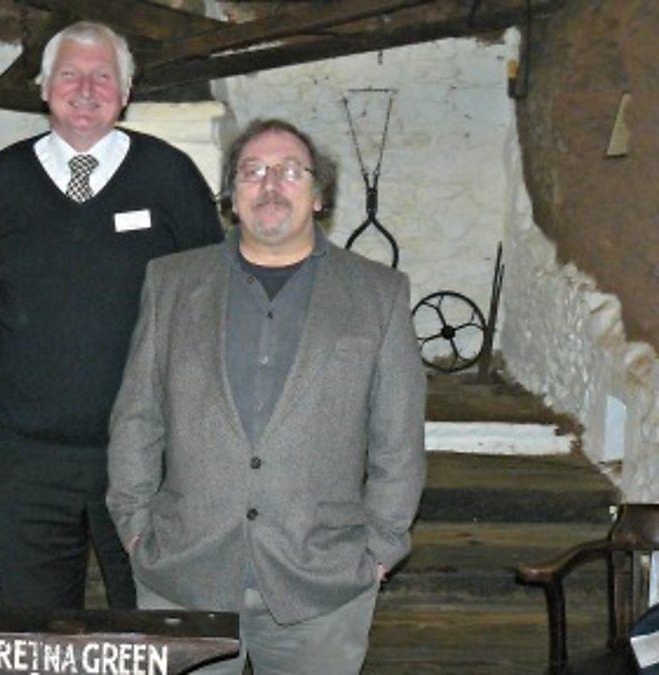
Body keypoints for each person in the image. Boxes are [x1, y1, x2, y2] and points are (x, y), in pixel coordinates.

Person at [106, 118, 427, 674]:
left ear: (319, 195)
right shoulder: (171, 283)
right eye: (252, 172)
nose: (270, 184)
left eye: (290, 171)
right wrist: (134, 526)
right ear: (232, 196)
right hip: (183, 576)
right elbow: (138, 416)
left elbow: (397, 438)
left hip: (323, 586)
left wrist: (380, 548)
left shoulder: (379, 294)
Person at [0, 21, 223, 610]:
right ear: (43, 87)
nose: (85, 89)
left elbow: (210, 310)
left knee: (150, 629)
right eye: (70, 74)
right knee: (35, 633)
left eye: (103, 76)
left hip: (145, 457)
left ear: (126, 92)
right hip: (26, 459)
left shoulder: (170, 177)